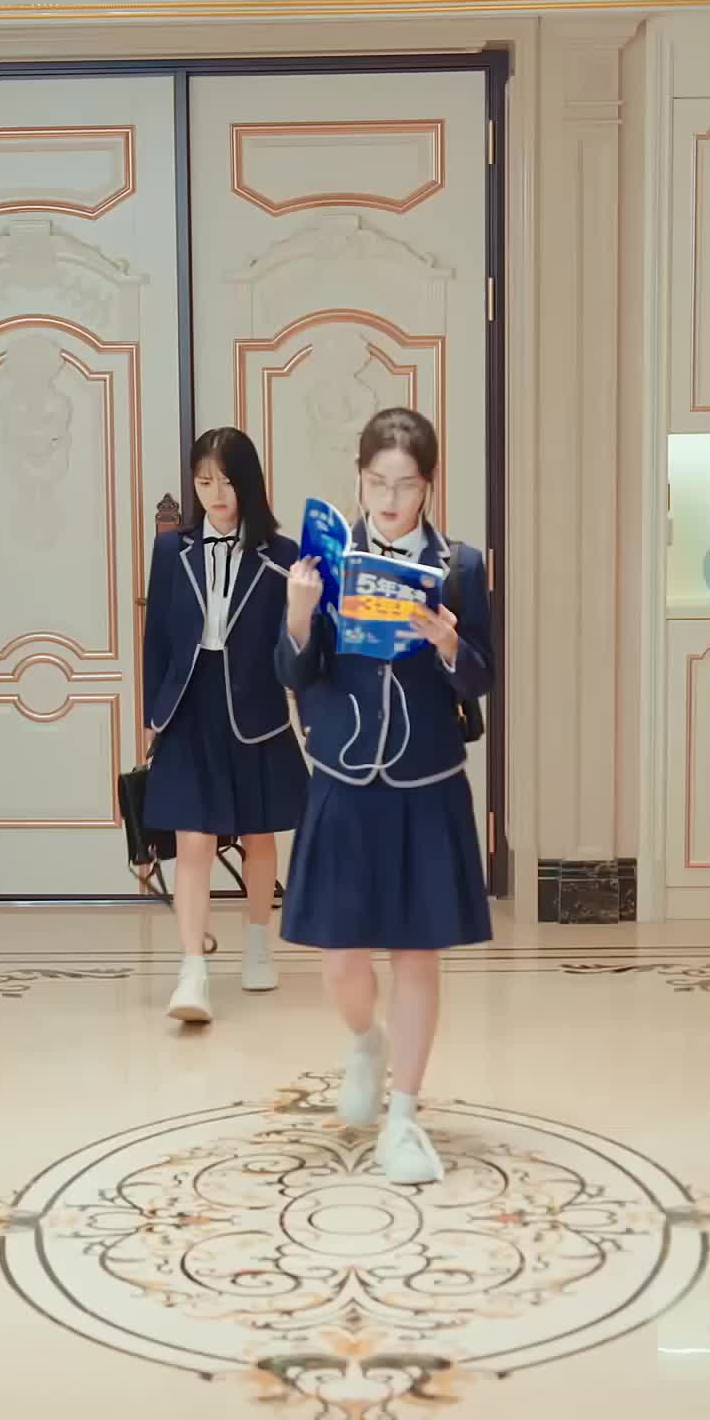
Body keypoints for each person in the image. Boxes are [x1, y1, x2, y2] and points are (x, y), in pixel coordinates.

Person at [278, 406, 493, 1184]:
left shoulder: (459, 566)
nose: (390, 499)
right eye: (377, 483)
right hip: (343, 778)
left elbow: (482, 678)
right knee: (341, 960)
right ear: (360, 480)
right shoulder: (323, 562)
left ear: (428, 485)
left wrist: (448, 642)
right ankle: (365, 1041)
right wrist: (300, 615)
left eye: (405, 485)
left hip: (425, 782)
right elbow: (292, 673)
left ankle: (404, 1116)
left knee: (416, 953)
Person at [144, 427, 308, 1025]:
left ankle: (258, 945)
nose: (215, 493)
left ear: (249, 484)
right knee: (194, 839)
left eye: (227, 481)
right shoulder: (172, 550)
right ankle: (192, 969)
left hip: (254, 706)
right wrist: (152, 716)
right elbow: (157, 638)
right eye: (204, 481)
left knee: (260, 835)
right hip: (188, 705)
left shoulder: (282, 554)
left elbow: (294, 643)